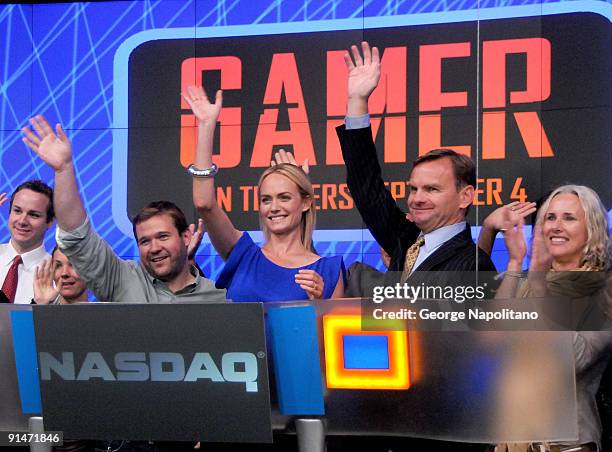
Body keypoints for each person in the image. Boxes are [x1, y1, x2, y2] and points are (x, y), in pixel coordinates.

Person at [335, 41, 496, 284]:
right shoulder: (406, 240)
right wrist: (357, 101)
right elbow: (367, 188)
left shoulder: (474, 266)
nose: (416, 198)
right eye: (414, 188)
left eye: (432, 189)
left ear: (465, 196)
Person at [22, 115, 226, 304]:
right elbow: (76, 236)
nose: (154, 248)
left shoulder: (218, 299)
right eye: (144, 241)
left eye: (163, 236)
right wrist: (63, 170)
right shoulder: (121, 279)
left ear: (187, 236)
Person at [184, 85, 344, 302]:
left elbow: (332, 335)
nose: (274, 207)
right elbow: (204, 203)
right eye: (266, 199)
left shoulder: (329, 270)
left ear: (306, 202)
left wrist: (318, 305)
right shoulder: (243, 254)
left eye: (284, 197)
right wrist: (205, 126)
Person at [497, 184, 612, 452]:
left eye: (569, 218)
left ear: (592, 228)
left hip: (564, 444)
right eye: (550, 217)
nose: (556, 226)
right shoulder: (526, 280)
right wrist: (515, 263)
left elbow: (571, 359)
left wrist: (539, 288)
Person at [0, 180, 54, 303]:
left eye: (34, 215)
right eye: (17, 211)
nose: (22, 221)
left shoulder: (56, 274)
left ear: (50, 221)